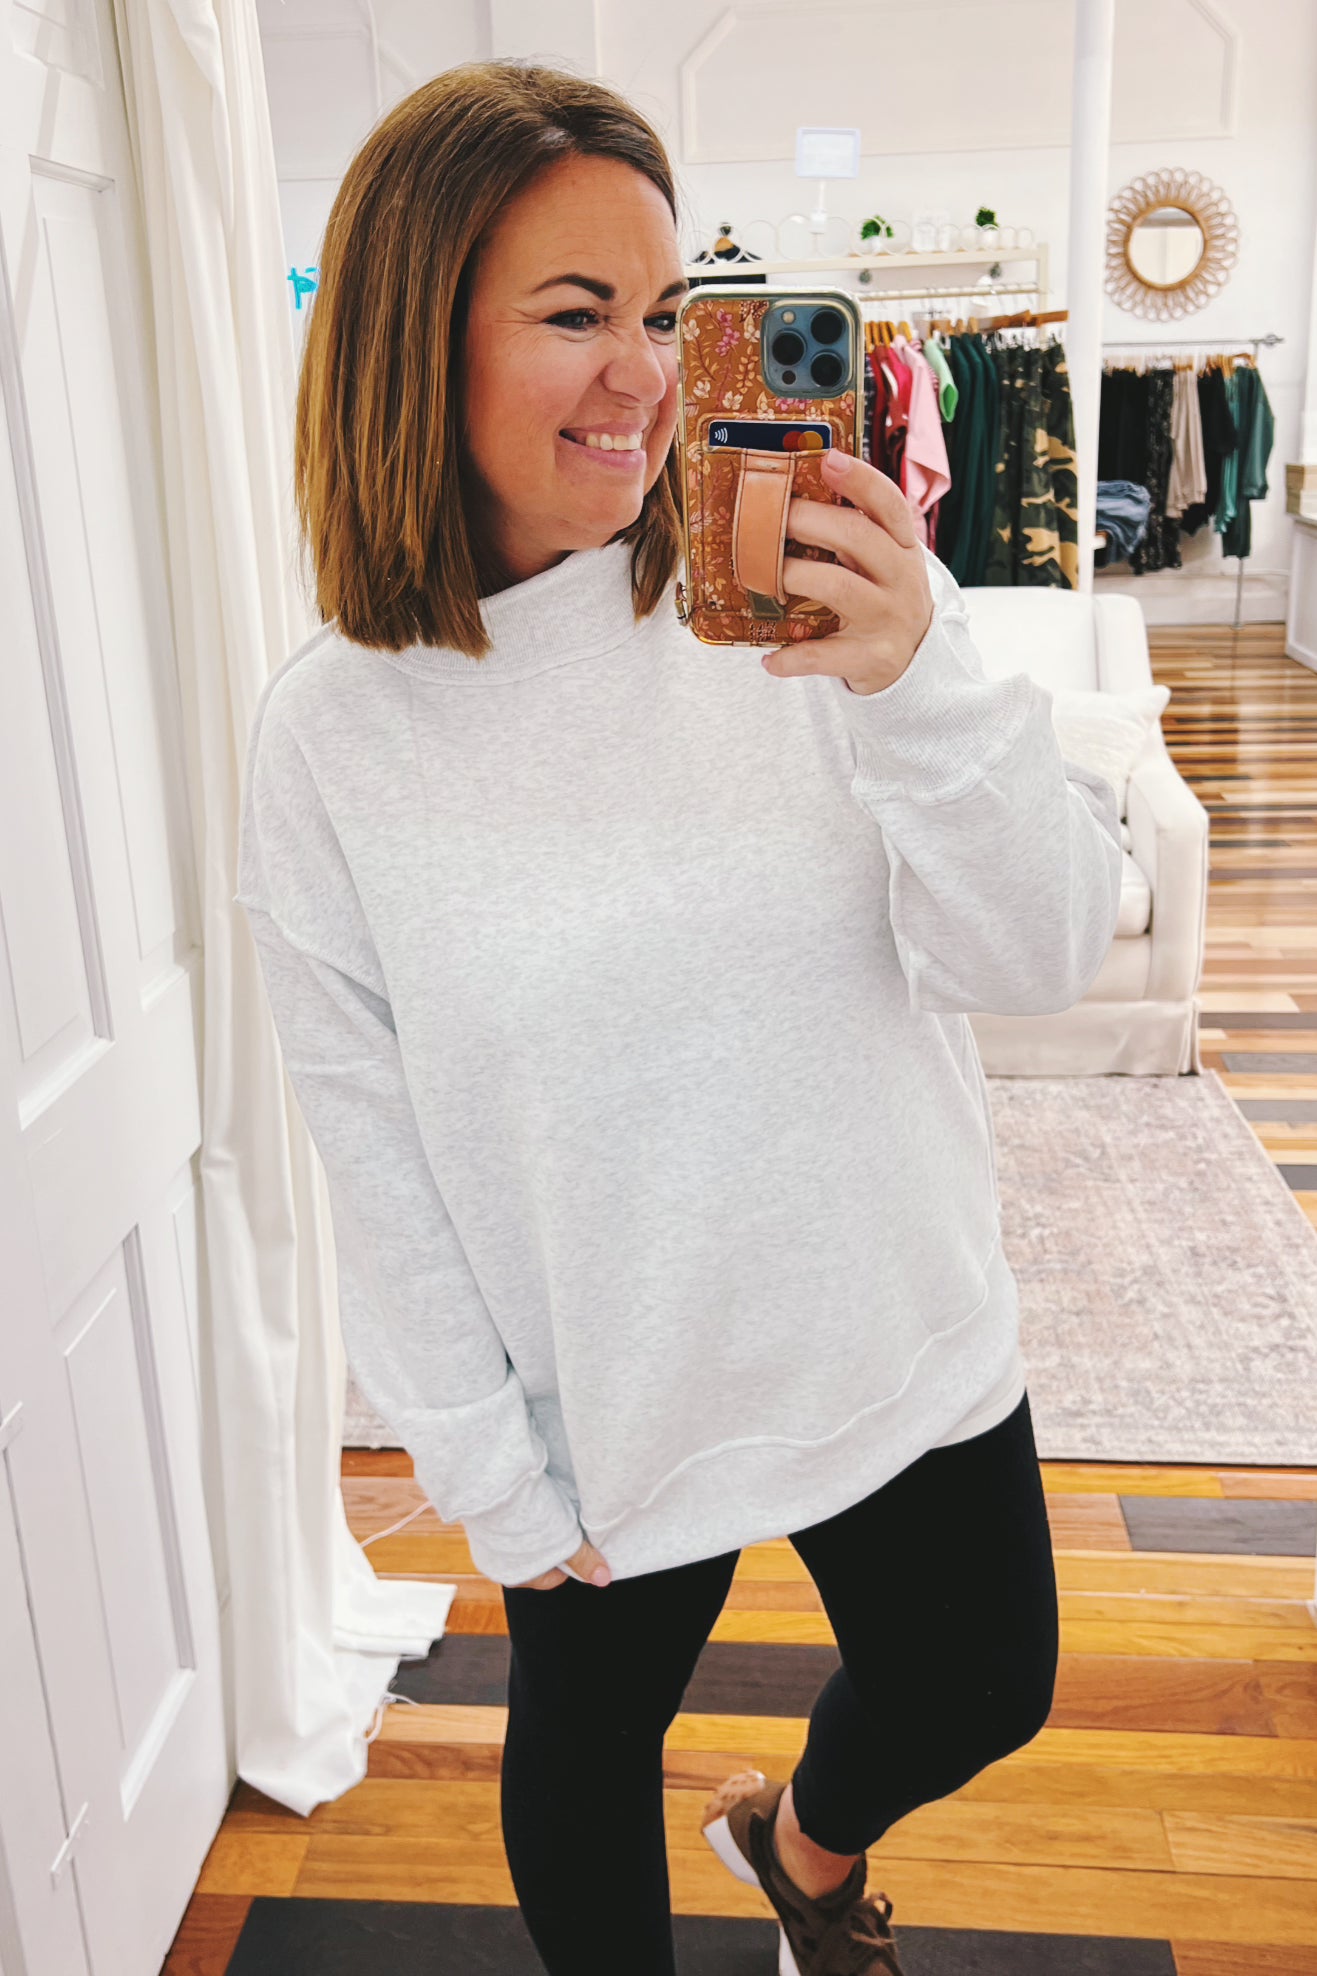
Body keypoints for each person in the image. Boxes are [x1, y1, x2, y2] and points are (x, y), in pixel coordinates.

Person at [236, 60, 1124, 1976]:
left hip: (891, 1321)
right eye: (577, 314)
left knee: (981, 1684)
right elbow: (364, 1131)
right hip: (608, 1395)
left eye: (665, 312)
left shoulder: (804, 599)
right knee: (581, 1766)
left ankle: (799, 1851)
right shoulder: (330, 738)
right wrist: (482, 1466)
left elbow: (1041, 953)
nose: (644, 376)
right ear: (413, 339)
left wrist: (917, 680)